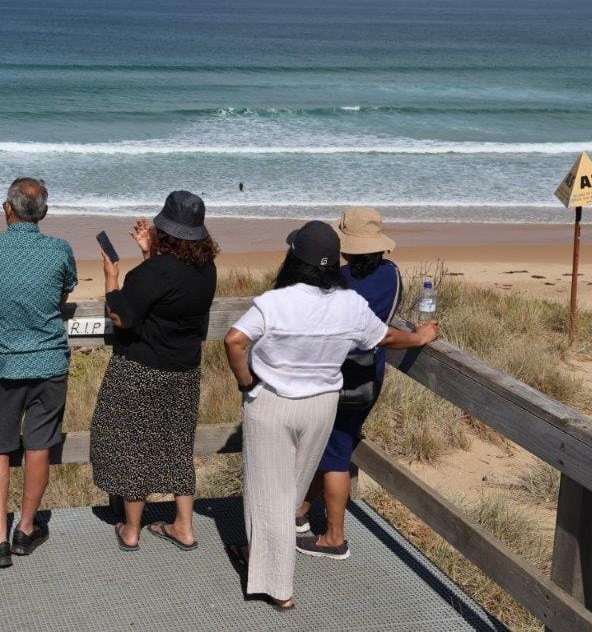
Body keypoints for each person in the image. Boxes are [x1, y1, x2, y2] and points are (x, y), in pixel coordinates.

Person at [223, 221, 437, 610]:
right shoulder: (349, 304)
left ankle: (278, 586)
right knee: (291, 489)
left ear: (294, 258)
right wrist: (419, 338)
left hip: (273, 403)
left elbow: (235, 340)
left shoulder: (276, 301)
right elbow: (384, 337)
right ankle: (261, 556)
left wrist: (245, 380)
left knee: (267, 490)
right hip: (322, 405)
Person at [0, 178, 77, 568]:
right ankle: (26, 529)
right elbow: (62, 297)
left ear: (7, 209)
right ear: (42, 211)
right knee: (38, 446)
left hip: (2, 364)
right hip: (48, 363)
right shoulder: (60, 250)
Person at [90, 191, 218, 552]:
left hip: (142, 369)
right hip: (185, 370)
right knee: (178, 445)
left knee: (131, 445)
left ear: (166, 231)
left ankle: (131, 530)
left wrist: (111, 277)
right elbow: (165, 294)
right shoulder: (206, 269)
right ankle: (184, 527)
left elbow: (122, 316)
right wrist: (148, 255)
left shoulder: (155, 272)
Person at [296, 207, 401, 560]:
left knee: (334, 452)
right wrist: (418, 337)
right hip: (369, 373)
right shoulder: (391, 276)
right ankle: (299, 512)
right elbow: (381, 328)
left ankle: (334, 539)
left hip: (333, 372)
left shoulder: (336, 279)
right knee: (329, 444)